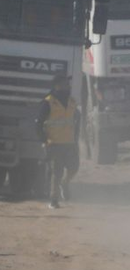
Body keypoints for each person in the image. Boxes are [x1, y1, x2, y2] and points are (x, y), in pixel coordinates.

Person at [36, 75, 80, 209]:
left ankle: (65, 183)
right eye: (65, 83)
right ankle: (53, 200)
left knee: (74, 167)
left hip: (70, 143)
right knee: (56, 172)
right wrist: (44, 140)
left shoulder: (72, 102)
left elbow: (76, 120)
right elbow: (38, 124)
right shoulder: (47, 102)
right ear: (57, 85)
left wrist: (76, 139)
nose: (68, 85)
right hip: (54, 143)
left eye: (68, 83)